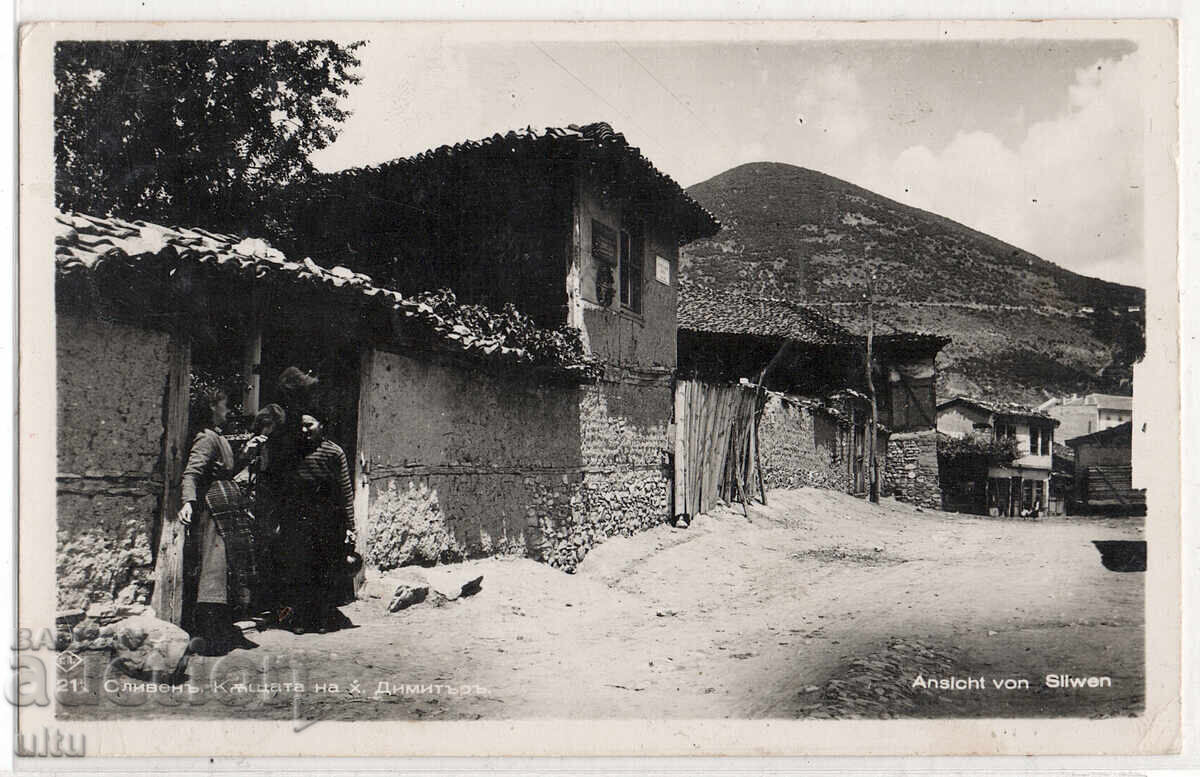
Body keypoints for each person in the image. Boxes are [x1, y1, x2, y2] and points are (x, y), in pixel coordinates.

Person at [178, 387, 258, 655]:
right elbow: (192, 473)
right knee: (214, 569)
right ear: (213, 407)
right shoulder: (206, 439)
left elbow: (228, 471)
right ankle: (207, 633)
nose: (228, 410)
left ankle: (218, 629)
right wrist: (188, 501)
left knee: (225, 569)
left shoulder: (218, 437)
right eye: (224, 405)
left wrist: (246, 453)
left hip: (224, 507)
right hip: (212, 511)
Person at [275, 414, 355, 634]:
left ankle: (323, 619)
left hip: (328, 521)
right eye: (301, 426)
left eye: (309, 425)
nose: (304, 430)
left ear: (321, 425)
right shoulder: (294, 452)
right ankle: (301, 619)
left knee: (325, 570)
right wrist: (281, 519)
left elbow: (346, 491)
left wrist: (351, 525)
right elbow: (285, 489)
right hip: (299, 520)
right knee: (301, 569)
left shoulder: (334, 452)